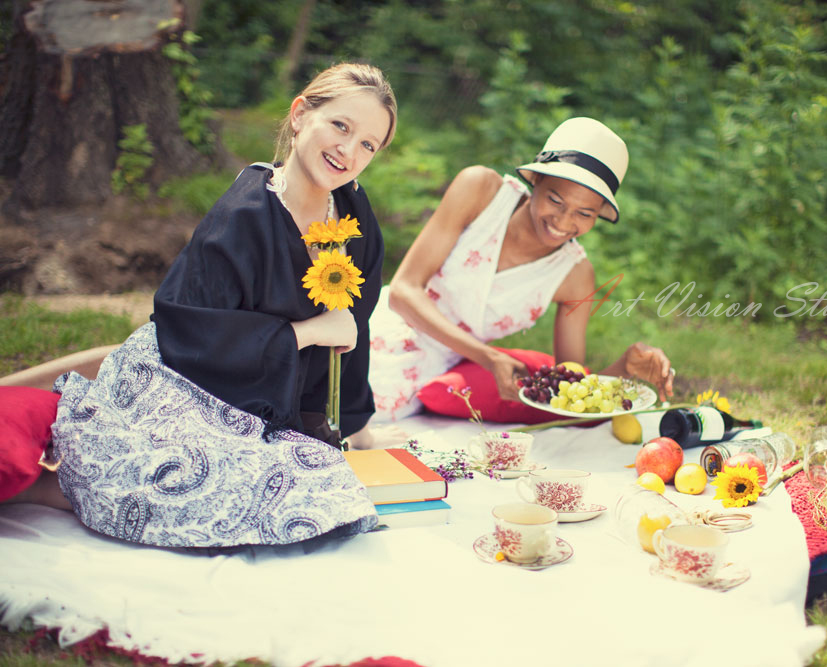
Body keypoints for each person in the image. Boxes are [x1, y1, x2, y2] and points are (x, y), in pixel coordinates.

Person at [18, 62, 399, 548]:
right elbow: (194, 338)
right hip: (183, 386)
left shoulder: (352, 211)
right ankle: (47, 487)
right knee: (212, 487)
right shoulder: (243, 217)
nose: (349, 151)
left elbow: (352, 328)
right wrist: (305, 334)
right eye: (340, 126)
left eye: (369, 143)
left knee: (324, 484)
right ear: (301, 115)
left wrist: (355, 427)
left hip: (264, 393)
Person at [362, 117, 674, 429]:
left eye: (584, 213)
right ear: (536, 178)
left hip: (435, 374)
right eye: (555, 199)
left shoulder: (575, 277)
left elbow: (573, 394)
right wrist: (488, 358)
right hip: (378, 332)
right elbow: (403, 293)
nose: (564, 223)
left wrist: (627, 366)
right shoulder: (480, 191)